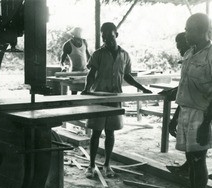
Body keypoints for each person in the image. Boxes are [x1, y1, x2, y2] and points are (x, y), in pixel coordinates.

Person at [81, 22, 152, 178]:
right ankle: (91, 166)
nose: (107, 39)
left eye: (110, 36)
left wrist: (142, 88)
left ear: (116, 35)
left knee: (110, 132)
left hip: (115, 97)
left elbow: (127, 76)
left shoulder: (124, 55)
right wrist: (87, 89)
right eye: (104, 36)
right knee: (96, 132)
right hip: (99, 97)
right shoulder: (98, 54)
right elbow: (91, 74)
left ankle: (107, 165)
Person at [175, 13, 212, 188]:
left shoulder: (211, 55)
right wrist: (176, 116)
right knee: (191, 161)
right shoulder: (190, 53)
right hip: (186, 111)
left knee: (198, 161)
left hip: (202, 114)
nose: (186, 33)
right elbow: (183, 86)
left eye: (189, 30)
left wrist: (206, 123)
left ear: (202, 31)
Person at [161, 32, 191, 176]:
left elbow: (189, 89)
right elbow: (184, 86)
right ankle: (189, 166)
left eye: (181, 47)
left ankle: (192, 169)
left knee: (197, 143)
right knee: (190, 141)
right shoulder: (188, 60)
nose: (179, 51)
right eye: (178, 48)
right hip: (190, 105)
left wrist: (174, 118)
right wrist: (173, 91)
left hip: (201, 106)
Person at [60, 27, 91, 95]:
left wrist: (92, 65)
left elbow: (89, 56)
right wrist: (63, 68)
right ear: (73, 34)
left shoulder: (84, 42)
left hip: (84, 71)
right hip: (74, 73)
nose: (79, 35)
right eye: (77, 33)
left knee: (87, 91)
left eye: (80, 33)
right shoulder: (67, 44)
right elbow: (62, 61)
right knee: (74, 93)